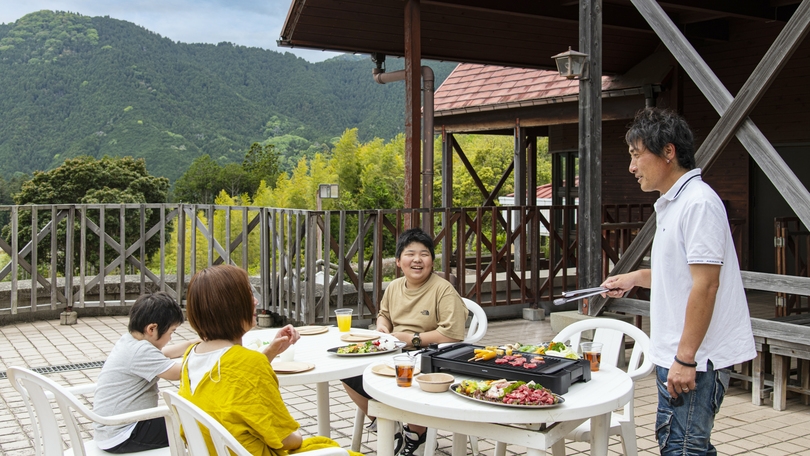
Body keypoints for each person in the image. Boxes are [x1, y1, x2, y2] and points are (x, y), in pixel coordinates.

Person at [600, 108, 755, 455]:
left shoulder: (698, 203)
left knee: (682, 448)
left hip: (695, 359)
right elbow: (684, 276)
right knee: (683, 444)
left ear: (668, 152)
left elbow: (706, 285)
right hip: (675, 354)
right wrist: (635, 278)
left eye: (637, 155)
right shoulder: (672, 203)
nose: (632, 167)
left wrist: (686, 360)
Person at [179, 264, 363, 456]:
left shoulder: (190, 357)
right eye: (248, 295)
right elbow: (288, 439)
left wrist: (270, 352)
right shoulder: (248, 364)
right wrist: (296, 435)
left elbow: (228, 384)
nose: (256, 301)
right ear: (231, 307)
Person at [342, 228, 469, 456]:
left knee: (406, 379)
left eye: (424, 254)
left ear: (431, 261)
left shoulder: (443, 290)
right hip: (395, 350)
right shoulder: (394, 287)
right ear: (399, 261)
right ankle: (389, 430)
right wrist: (383, 327)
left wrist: (413, 339)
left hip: (429, 354)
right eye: (410, 254)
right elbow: (384, 314)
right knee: (347, 371)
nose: (417, 259)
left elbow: (453, 335)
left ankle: (416, 435)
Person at [94, 291, 198, 453]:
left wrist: (191, 344)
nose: (170, 338)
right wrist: (209, 355)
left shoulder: (130, 341)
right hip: (126, 433)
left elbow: (165, 353)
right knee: (194, 424)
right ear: (152, 329)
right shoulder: (141, 351)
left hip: (111, 430)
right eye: (171, 332)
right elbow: (177, 373)